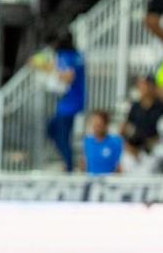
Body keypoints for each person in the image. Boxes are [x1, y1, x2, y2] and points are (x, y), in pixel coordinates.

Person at [40, 33, 86, 172]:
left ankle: (69, 165)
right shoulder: (77, 55)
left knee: (61, 135)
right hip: (73, 101)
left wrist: (47, 68)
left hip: (68, 104)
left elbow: (67, 76)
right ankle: (67, 162)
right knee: (53, 129)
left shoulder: (65, 56)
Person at [123, 74, 163, 148]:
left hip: (155, 144)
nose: (143, 88)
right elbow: (128, 124)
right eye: (140, 86)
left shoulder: (161, 106)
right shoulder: (135, 106)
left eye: (146, 85)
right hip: (137, 145)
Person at [81, 110, 122, 175]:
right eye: (94, 125)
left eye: (99, 125)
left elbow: (119, 166)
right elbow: (84, 164)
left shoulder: (115, 141)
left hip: (109, 182)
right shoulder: (87, 141)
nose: (95, 128)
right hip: (90, 181)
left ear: (106, 125)